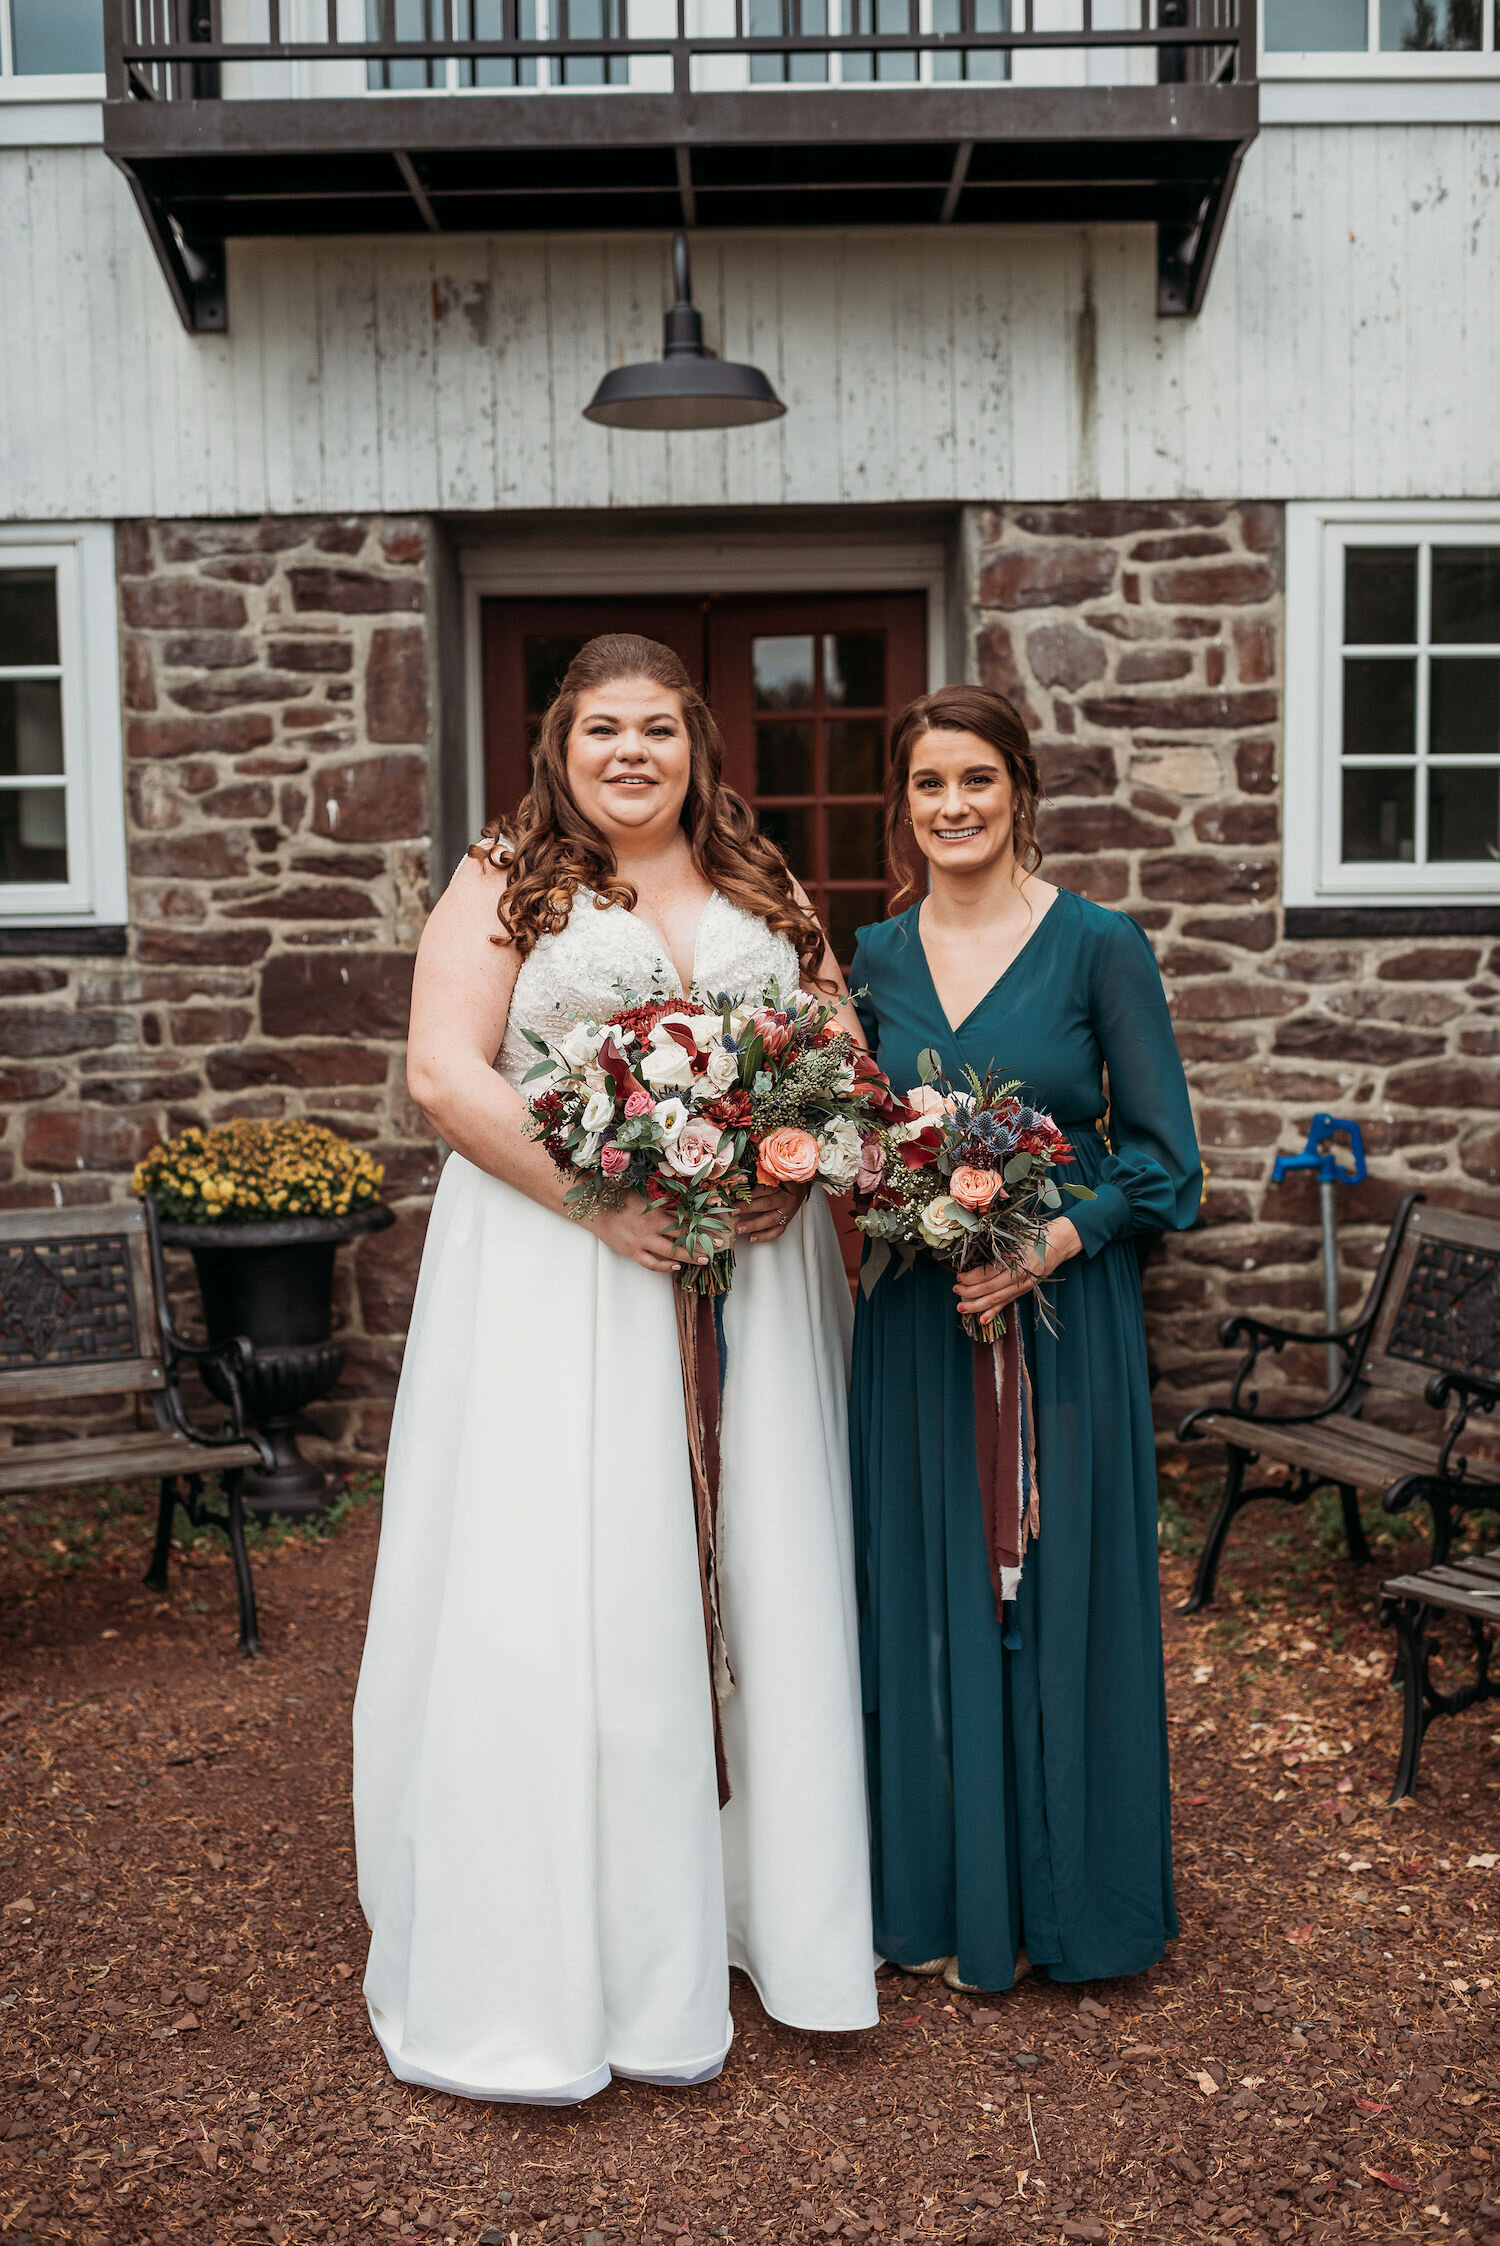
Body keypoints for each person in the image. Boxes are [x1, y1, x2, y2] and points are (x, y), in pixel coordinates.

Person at [353, 634, 877, 2102]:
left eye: (659, 728)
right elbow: (447, 1073)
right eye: (603, 730)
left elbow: (836, 1045)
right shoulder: (504, 875)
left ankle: (756, 1905)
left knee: (750, 1559)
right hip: (561, 1268)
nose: (632, 752)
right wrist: (605, 1198)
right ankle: (571, 1933)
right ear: (560, 748)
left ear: (700, 745)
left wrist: (790, 1152)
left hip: (748, 1281)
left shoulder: (764, 882)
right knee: (572, 1570)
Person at [848, 683, 1202, 1995]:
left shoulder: (1102, 944)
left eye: (977, 781)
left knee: (1058, 1602)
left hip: (1059, 1322)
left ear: (1021, 792)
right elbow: (859, 1131)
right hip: (917, 1323)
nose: (952, 806)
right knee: (925, 1601)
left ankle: (1073, 1903)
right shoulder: (874, 957)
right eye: (930, 783)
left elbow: (1172, 1169)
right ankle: (939, 1894)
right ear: (907, 803)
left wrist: (1042, 1247)